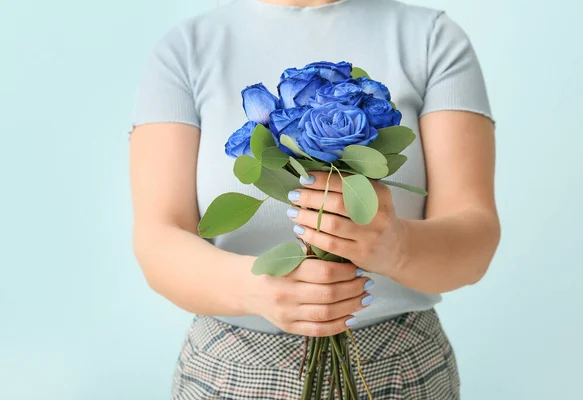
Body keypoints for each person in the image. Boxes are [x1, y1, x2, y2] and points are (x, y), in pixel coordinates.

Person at [128, 0, 500, 398]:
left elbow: (475, 234)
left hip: (400, 370)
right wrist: (256, 288)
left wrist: (398, 246)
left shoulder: (432, 39)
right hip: (230, 372)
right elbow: (158, 238)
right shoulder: (186, 49)